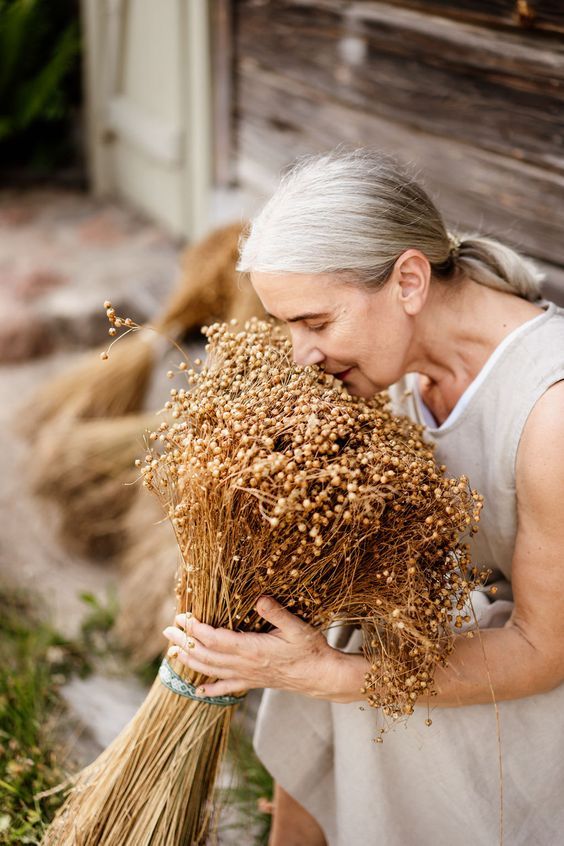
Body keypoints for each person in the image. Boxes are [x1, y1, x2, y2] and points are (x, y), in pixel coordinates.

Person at [162, 148, 564, 845]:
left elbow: (542, 649)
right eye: (287, 326)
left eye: (316, 324)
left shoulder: (551, 417)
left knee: (352, 675)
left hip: (546, 679)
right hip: (485, 621)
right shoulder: (391, 365)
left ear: (409, 280)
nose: (302, 357)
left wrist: (333, 674)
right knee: (345, 638)